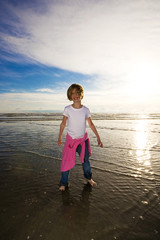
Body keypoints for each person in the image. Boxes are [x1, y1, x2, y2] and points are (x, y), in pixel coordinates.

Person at [58, 83, 103, 191]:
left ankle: (89, 178)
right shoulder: (67, 109)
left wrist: (98, 137)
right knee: (66, 162)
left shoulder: (85, 110)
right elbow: (63, 123)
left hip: (83, 140)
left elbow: (91, 124)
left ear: (81, 94)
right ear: (70, 95)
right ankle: (64, 183)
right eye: (73, 93)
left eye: (77, 93)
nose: (75, 95)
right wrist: (59, 137)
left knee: (85, 161)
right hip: (71, 141)